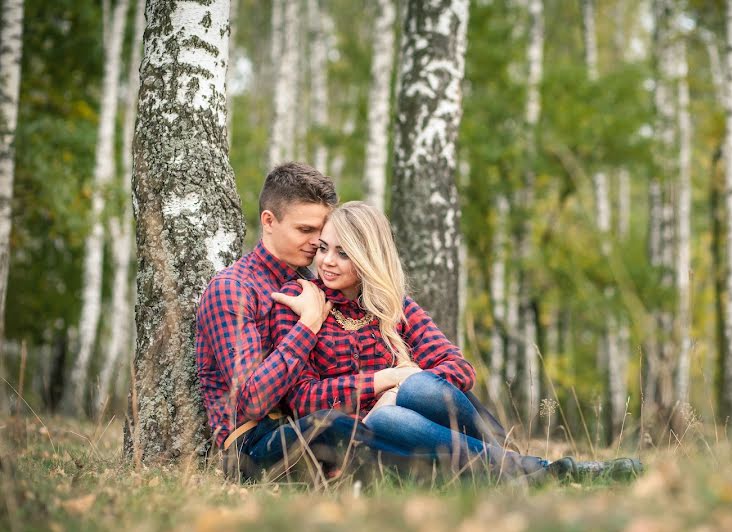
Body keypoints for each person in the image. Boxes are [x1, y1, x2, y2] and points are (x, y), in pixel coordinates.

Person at [269, 201, 642, 483]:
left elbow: (457, 368)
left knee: (416, 388)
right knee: (386, 415)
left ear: (368, 257)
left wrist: (402, 387)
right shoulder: (302, 302)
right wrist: (385, 381)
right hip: (370, 445)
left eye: (343, 253)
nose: (327, 262)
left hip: (429, 431)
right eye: (322, 248)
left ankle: (522, 470)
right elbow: (301, 398)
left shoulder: (394, 307)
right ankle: (542, 469)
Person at [195, 162, 336, 480]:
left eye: (321, 231)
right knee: (335, 427)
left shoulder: (316, 286)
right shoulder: (232, 289)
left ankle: (472, 458)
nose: (317, 242)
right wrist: (308, 325)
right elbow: (252, 402)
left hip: (311, 423)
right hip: (252, 449)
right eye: (305, 230)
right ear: (269, 221)